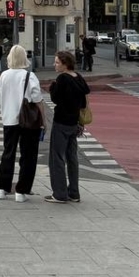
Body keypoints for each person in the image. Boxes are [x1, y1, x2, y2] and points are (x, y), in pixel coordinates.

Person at [0, 44, 44, 203]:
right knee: (28, 156)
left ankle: (2, 189)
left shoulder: (4, 76)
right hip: (28, 121)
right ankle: (21, 191)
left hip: (9, 120)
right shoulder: (30, 76)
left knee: (8, 153)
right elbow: (37, 99)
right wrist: (44, 121)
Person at [47, 50, 90, 204]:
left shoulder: (62, 78)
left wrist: (52, 87)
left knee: (57, 158)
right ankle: (74, 192)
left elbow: (56, 99)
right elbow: (84, 102)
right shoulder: (78, 77)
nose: (54, 65)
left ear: (65, 64)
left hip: (61, 122)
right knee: (72, 157)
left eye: (57, 62)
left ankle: (59, 193)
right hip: (74, 123)